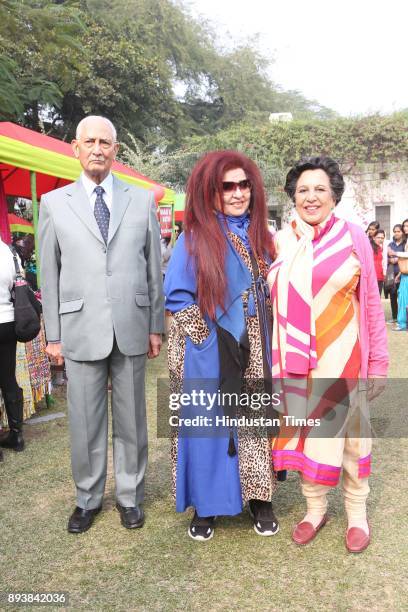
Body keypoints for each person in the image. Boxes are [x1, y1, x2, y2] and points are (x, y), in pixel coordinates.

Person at [39, 116, 164, 534]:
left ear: (116, 151)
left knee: (132, 420)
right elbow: (49, 276)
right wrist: (53, 334)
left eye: (105, 142)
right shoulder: (54, 204)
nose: (97, 148)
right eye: (89, 141)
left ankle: (130, 496)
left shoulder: (142, 200)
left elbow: (152, 271)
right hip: (79, 329)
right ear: (74, 148)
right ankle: (88, 498)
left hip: (131, 324)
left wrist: (154, 324)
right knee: (85, 421)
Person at [267, 156, 388, 553]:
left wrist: (378, 363)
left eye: (320, 188)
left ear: (334, 195)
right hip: (296, 362)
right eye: (303, 190)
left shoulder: (354, 237)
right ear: (292, 197)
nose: (311, 196)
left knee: (352, 439)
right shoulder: (279, 241)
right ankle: (314, 510)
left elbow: (370, 302)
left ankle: (356, 515)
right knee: (307, 435)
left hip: (344, 358)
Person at [164, 150, 279, 541]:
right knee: (209, 425)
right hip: (208, 346)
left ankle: (260, 498)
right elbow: (177, 296)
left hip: (256, 344)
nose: (236, 193)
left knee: (252, 421)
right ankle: (207, 506)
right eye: (226, 185)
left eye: (243, 184)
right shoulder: (195, 237)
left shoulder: (263, 236)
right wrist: (208, 341)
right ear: (211, 191)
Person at [0, 237, 25, 458]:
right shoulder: (7, 251)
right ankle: (17, 434)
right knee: (8, 378)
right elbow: (14, 284)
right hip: (8, 320)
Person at [386, 224, 405, 323]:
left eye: (398, 231)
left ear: (402, 232)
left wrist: (397, 258)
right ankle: (394, 317)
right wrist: (391, 259)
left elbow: (405, 257)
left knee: (402, 296)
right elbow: (387, 256)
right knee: (392, 295)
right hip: (391, 274)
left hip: (403, 274)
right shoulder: (390, 244)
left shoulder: (405, 244)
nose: (396, 233)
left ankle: (403, 317)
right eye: (395, 231)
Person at [392, 218, 408, 331]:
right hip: (404, 273)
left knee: (403, 297)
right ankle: (402, 322)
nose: (406, 228)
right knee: (402, 296)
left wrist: (395, 253)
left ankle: (402, 324)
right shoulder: (406, 240)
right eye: (405, 226)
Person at [371, 228, 386, 295]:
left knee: (377, 297)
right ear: (374, 238)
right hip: (371, 277)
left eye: (382, 238)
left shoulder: (381, 248)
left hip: (380, 276)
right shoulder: (369, 247)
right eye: (378, 237)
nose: (380, 239)